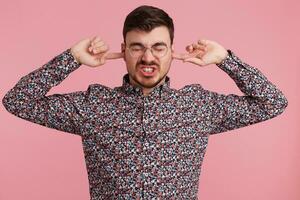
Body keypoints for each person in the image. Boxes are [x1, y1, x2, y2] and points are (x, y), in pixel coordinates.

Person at [2, 5, 288, 200]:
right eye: (138, 47)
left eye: (158, 47)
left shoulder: (198, 106)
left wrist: (226, 59)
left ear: (172, 51)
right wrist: (72, 58)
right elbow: (18, 101)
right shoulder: (94, 105)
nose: (148, 57)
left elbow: (272, 102)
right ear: (124, 50)